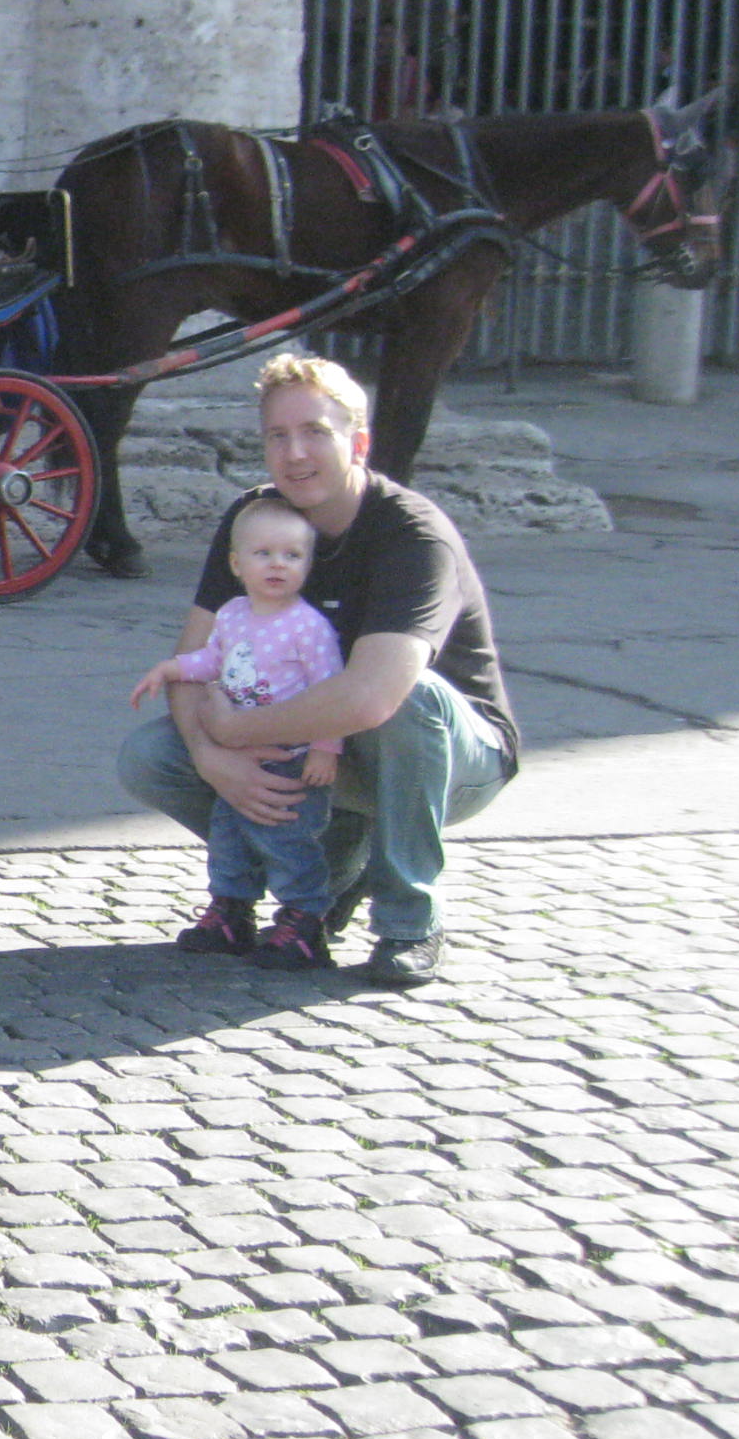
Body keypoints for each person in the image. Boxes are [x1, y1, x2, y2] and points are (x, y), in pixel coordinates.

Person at [117, 353, 518, 984]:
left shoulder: (412, 535)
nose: (295, 453)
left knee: (408, 697)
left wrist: (235, 733)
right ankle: (320, 877)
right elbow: (194, 659)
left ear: (358, 444)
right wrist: (209, 755)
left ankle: (410, 921)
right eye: (278, 436)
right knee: (150, 758)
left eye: (315, 433)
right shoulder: (257, 521)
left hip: (447, 760)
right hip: (316, 749)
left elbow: (372, 698)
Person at [125, 497, 344, 968]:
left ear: (308, 565)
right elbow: (213, 660)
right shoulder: (233, 614)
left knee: (288, 838)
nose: (278, 564)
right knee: (230, 834)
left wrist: (326, 749)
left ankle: (305, 919)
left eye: (292, 555)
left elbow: (330, 691)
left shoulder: (309, 627)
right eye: (263, 554)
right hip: (238, 749)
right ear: (237, 564)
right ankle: (232, 910)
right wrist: (172, 668)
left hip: (290, 755)